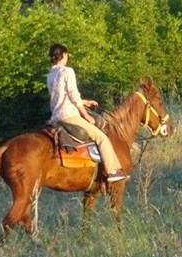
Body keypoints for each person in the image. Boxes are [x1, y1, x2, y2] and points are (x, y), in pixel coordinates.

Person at [46, 44, 127, 182]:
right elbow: (72, 94)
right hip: (69, 116)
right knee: (101, 137)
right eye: (67, 55)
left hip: (55, 116)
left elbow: (62, 96)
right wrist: (86, 114)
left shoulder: (50, 75)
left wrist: (85, 101)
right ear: (64, 55)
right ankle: (112, 171)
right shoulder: (67, 71)